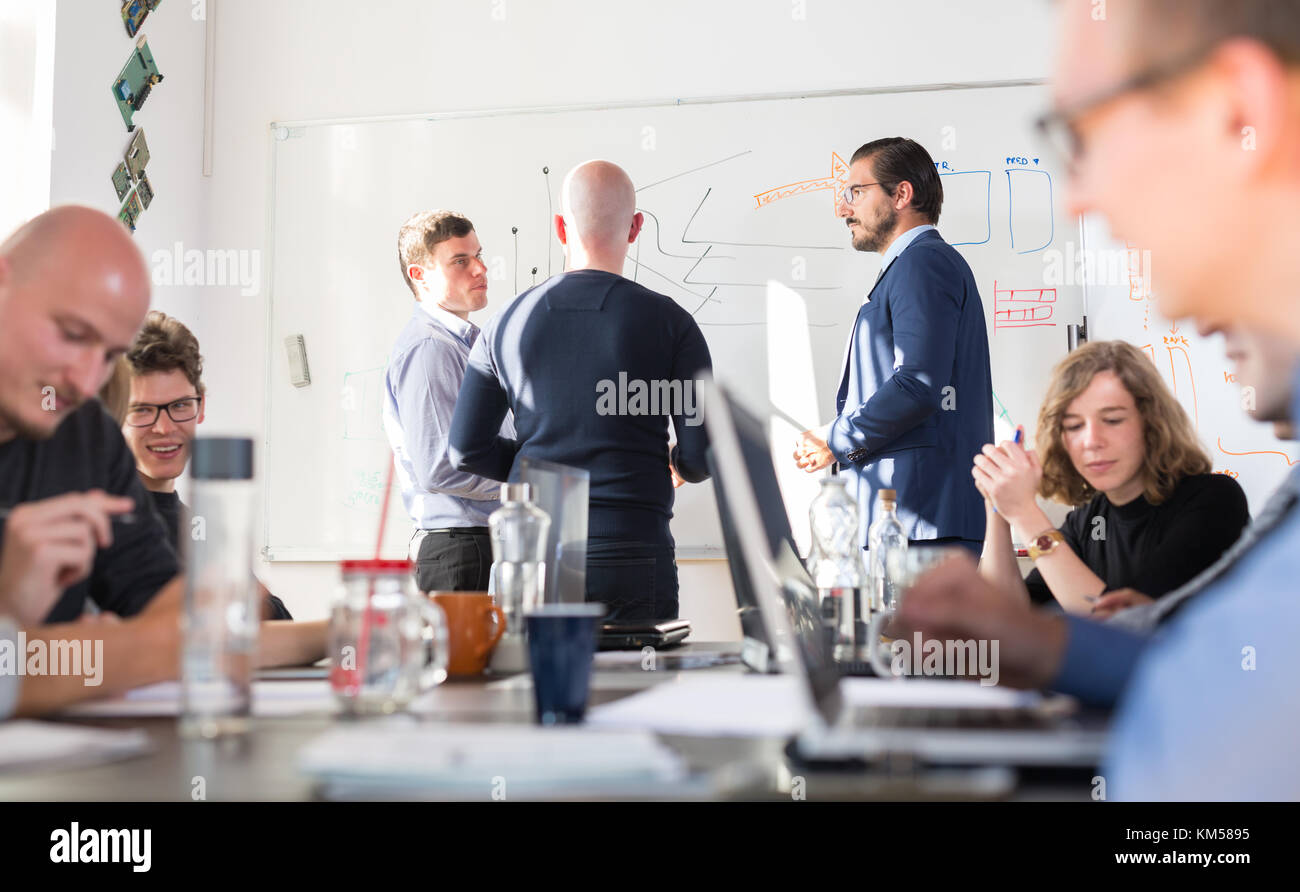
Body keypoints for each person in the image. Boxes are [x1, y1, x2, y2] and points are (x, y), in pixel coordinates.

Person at [894, 0, 1300, 799]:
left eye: (1084, 136)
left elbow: (1228, 753)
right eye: (1076, 425)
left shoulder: (1208, 504)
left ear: (1235, 111)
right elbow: (1207, 671)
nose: (1076, 199)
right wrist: (1046, 642)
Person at [0, 207, 320, 720]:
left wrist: (339, 632)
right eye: (73, 335)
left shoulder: (85, 433)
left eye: (108, 355)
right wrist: (15, 615)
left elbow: (179, 632)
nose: (85, 382)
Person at [449, 160, 712, 622]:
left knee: (537, 689)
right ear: (635, 228)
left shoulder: (504, 325)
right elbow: (700, 456)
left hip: (536, 551)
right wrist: (672, 461)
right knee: (639, 690)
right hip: (633, 547)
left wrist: (539, 465)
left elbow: (465, 450)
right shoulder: (671, 323)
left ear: (559, 228)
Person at [793, 137, 993, 559]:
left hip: (921, 525)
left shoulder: (923, 263)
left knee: (913, 631)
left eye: (856, 192)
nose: (843, 208)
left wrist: (836, 436)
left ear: (901, 194)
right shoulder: (912, 266)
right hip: (909, 524)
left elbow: (917, 385)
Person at [973, 340, 1248, 615]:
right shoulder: (1088, 520)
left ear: (1152, 424)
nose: (1091, 441)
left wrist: (1025, 513)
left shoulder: (1215, 500)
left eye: (1113, 420)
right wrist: (997, 506)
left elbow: (1126, 624)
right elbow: (1004, 617)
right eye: (1074, 426)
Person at [108, 311, 293, 619]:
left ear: (201, 406)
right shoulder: (105, 521)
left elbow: (271, 617)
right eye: (142, 410)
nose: (164, 428)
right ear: (115, 412)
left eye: (179, 406)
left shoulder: (200, 526)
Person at [384, 211, 508, 593]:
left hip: (476, 545)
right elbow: (440, 467)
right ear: (419, 275)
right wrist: (527, 484)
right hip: (461, 550)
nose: (480, 269)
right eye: (460, 261)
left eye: (478, 255)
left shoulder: (468, 343)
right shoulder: (430, 348)